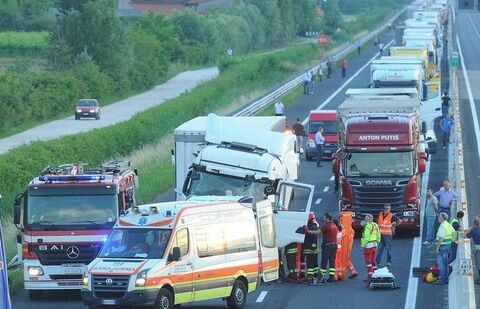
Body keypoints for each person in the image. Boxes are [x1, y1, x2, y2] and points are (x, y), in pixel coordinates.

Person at [361, 214, 381, 282]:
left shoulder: (367, 226)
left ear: (369, 219)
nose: (365, 219)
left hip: (369, 245)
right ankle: (376, 274)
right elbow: (378, 234)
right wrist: (377, 242)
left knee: (368, 261)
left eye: (366, 218)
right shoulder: (375, 225)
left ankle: (370, 275)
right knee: (373, 260)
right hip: (374, 244)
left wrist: (362, 246)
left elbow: (366, 238)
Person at [319, 212, 339, 282]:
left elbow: (318, 232)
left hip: (327, 245)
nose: (323, 218)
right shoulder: (334, 224)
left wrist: (308, 231)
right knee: (332, 261)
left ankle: (322, 277)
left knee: (324, 261)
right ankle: (331, 277)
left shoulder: (326, 226)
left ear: (327, 218)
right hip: (334, 245)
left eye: (324, 217)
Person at [434, 212, 453, 285]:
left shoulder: (442, 226)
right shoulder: (448, 224)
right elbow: (453, 232)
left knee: (441, 264)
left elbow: (441, 238)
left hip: (442, 248)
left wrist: (437, 247)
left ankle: (441, 279)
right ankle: (445, 278)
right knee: (446, 264)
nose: (438, 218)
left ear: (442, 218)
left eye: (439, 217)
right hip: (448, 246)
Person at [339, 211, 358, 279]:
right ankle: (353, 271)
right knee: (346, 258)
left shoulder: (347, 230)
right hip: (348, 246)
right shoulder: (351, 229)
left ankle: (341, 272)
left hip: (345, 246)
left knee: (344, 258)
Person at [303, 213, 321, 282]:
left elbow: (313, 237)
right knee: (315, 262)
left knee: (310, 262)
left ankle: (310, 275)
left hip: (310, 248)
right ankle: (315, 274)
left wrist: (313, 246)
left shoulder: (311, 226)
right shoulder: (314, 225)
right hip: (313, 248)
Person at [465, 219, 480, 284]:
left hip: (478, 249)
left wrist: (470, 229)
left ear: (474, 224)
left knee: (478, 264)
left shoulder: (474, 231)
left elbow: (465, 236)